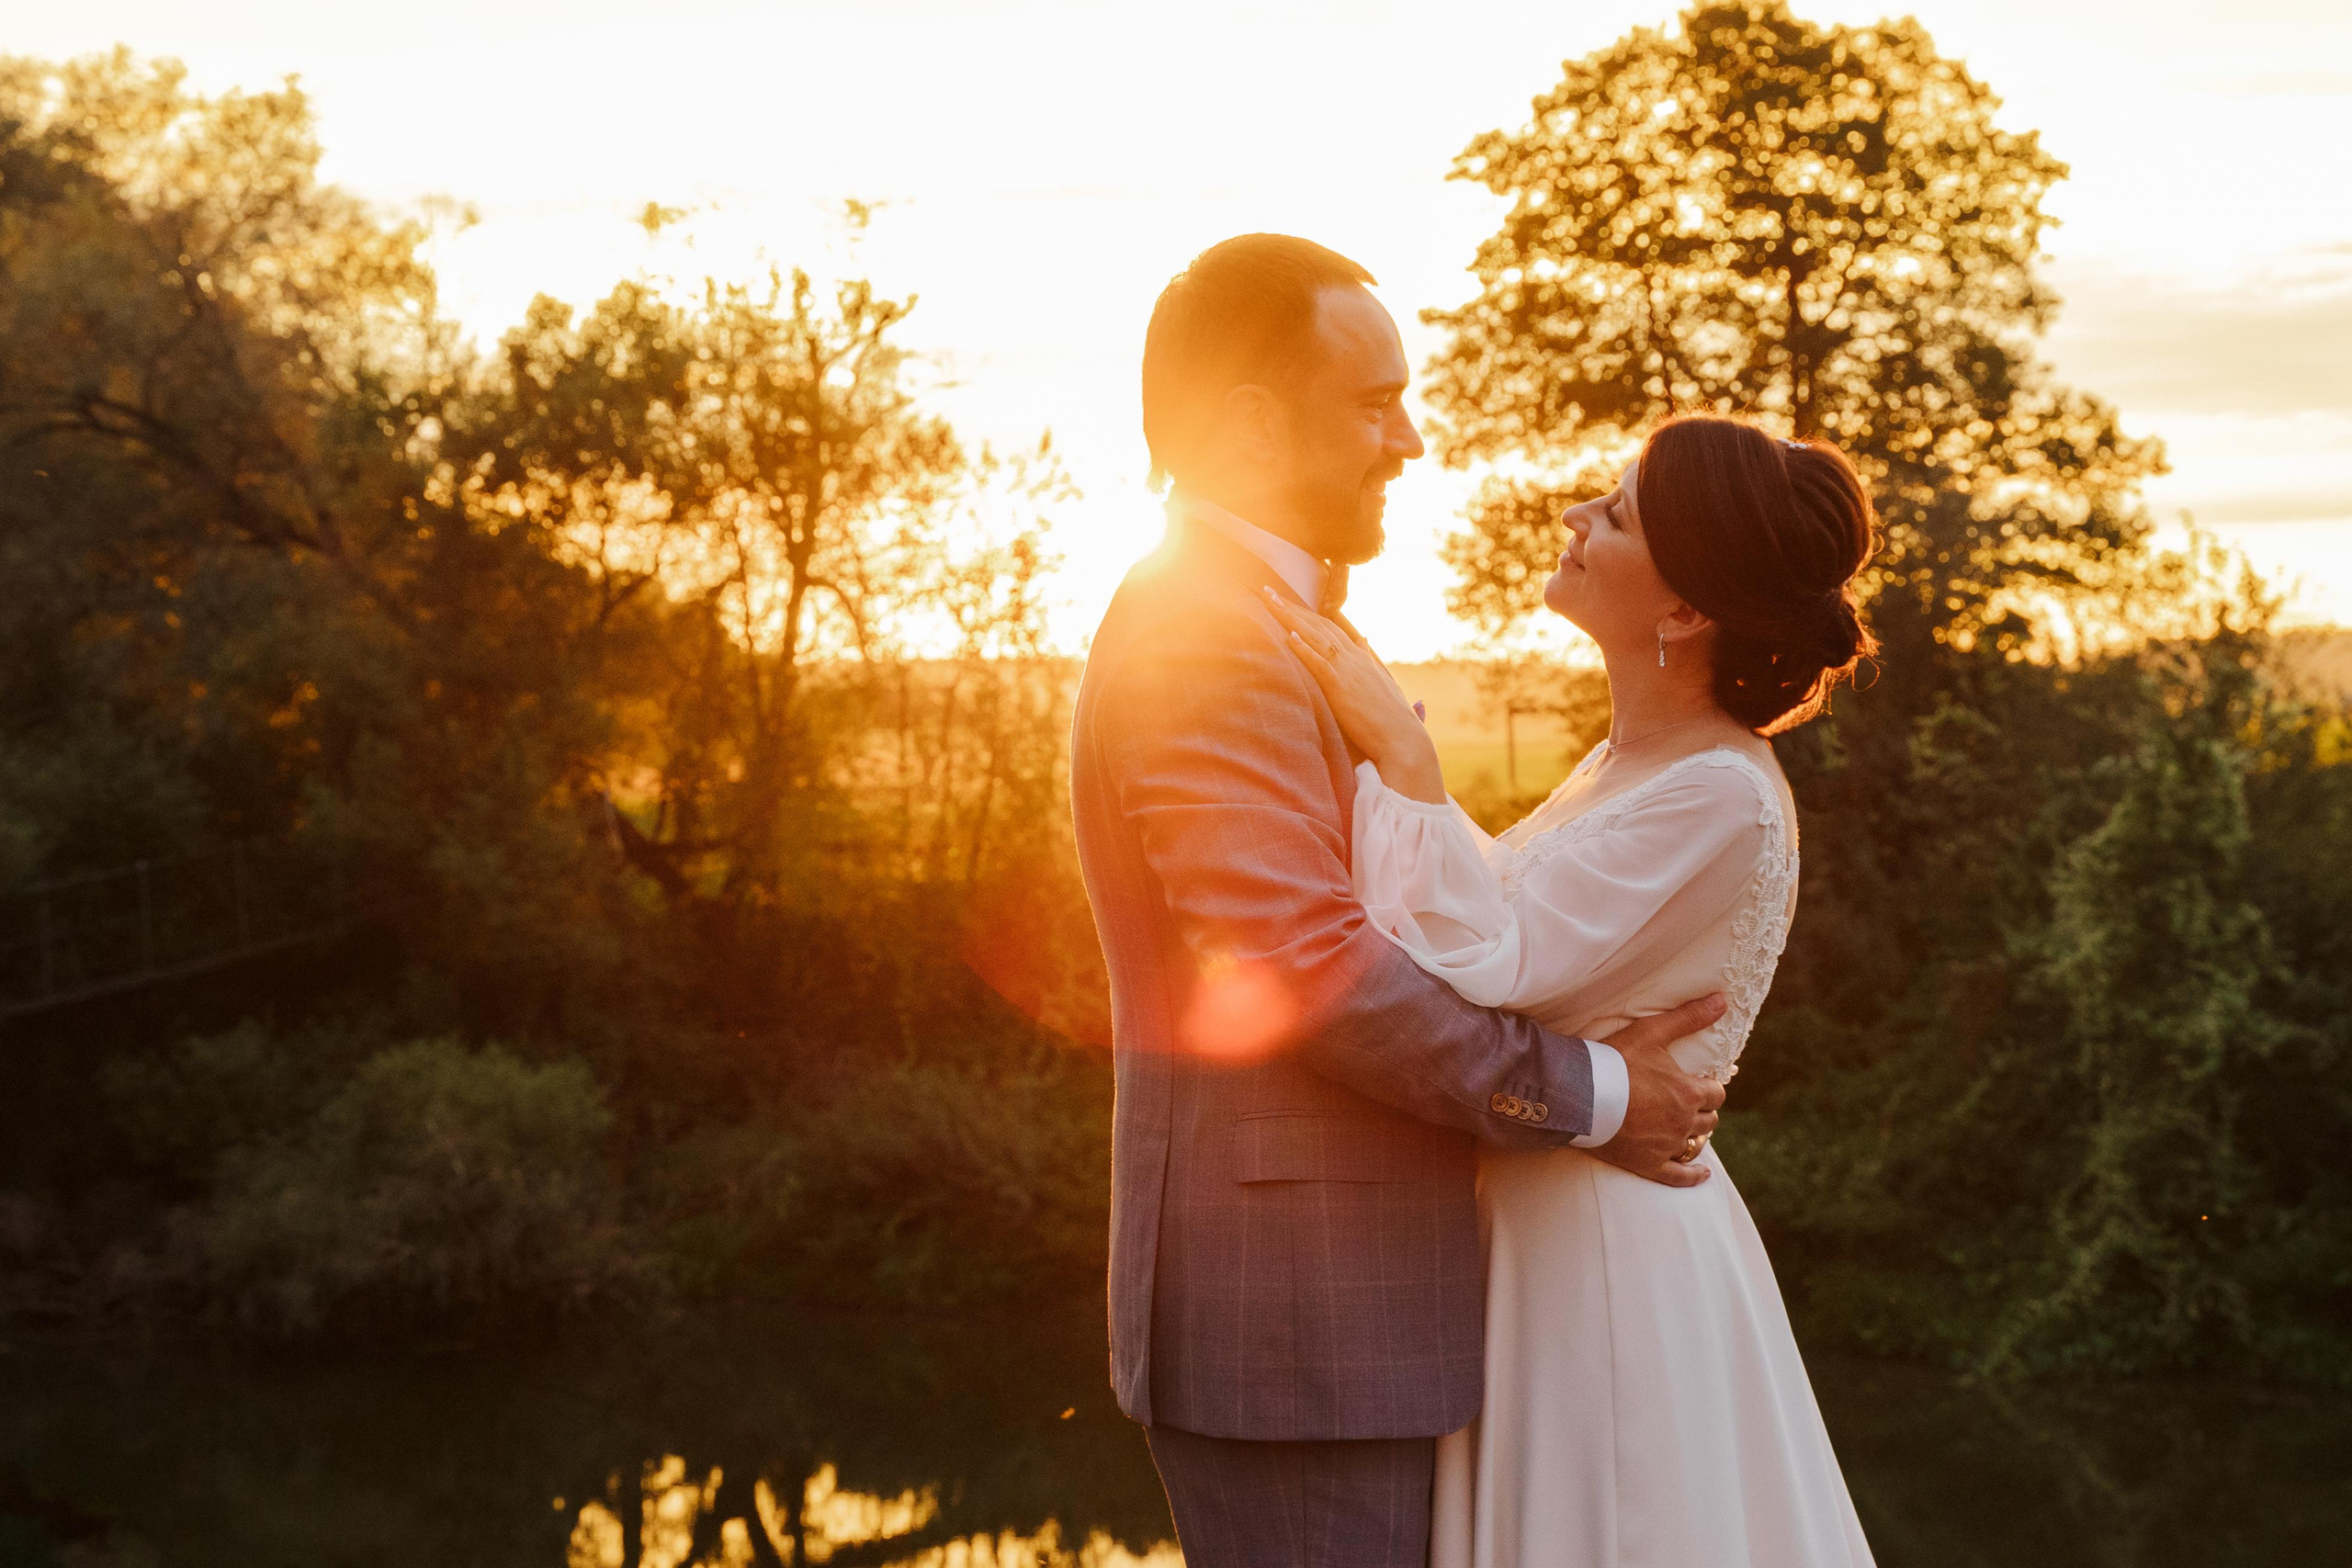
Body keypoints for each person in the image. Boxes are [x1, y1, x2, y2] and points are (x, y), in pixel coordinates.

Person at [1068, 231, 1728, 1568]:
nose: (1411, 439)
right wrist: (1601, 1093)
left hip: (1347, 1319)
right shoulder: (1203, 627)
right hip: (1296, 1328)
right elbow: (1304, 965)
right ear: (1253, 424)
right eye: (1375, 402)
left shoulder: (1276, 613)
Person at [1269, 412, 1883, 1566]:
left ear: (1686, 609)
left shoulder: (1720, 795)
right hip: (1544, 1218)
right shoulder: (1626, 766)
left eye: (1614, 514)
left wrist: (1405, 765)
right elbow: (1495, 911)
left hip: (1606, 1247)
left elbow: (1495, 958)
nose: (1574, 519)